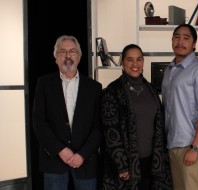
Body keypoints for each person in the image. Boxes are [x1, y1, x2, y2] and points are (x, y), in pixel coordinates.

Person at [32, 35, 102, 190]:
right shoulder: (44, 84)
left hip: (86, 161)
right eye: (63, 51)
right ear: (56, 57)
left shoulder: (94, 87)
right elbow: (39, 122)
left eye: (72, 51)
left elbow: (99, 126)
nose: (68, 55)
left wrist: (83, 154)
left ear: (79, 56)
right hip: (54, 160)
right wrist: (60, 150)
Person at [100, 44, 172, 190]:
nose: (135, 64)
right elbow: (110, 132)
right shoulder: (112, 91)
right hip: (126, 165)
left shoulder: (150, 89)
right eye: (130, 60)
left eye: (139, 59)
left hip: (152, 163)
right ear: (122, 62)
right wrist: (122, 166)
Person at [161, 24, 198, 190]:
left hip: (192, 145)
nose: (180, 41)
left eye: (186, 38)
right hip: (173, 144)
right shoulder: (169, 70)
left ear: (194, 44)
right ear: (172, 40)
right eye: (177, 37)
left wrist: (195, 147)